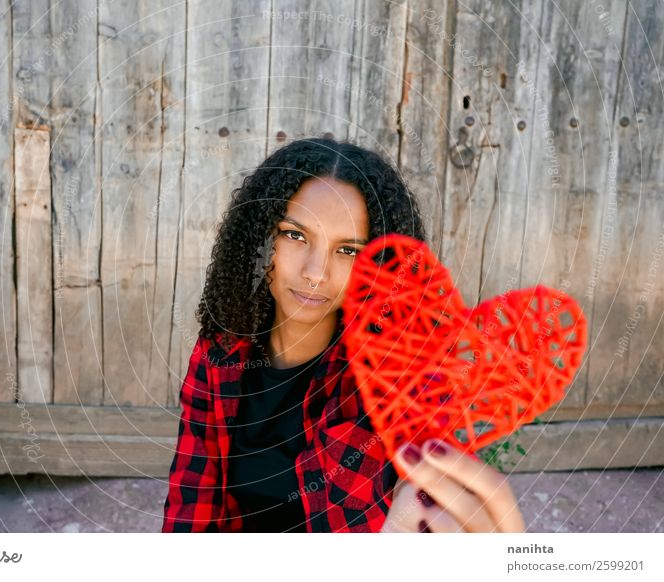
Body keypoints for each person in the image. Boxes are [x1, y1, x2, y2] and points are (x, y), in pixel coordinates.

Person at [161, 137, 525, 533]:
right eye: (295, 235)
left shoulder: (392, 376)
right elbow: (191, 497)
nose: (316, 272)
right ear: (259, 239)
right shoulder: (221, 353)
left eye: (348, 250)